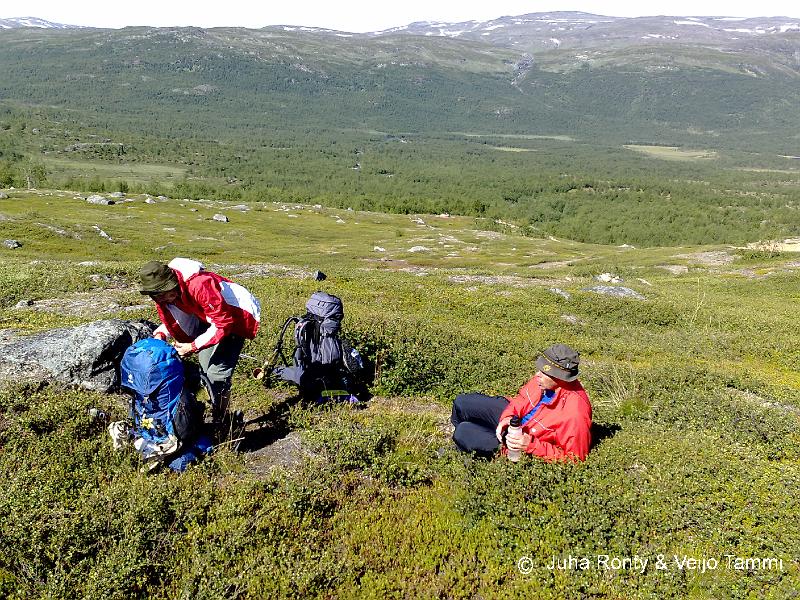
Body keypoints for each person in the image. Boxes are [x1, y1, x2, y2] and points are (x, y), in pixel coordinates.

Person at [139, 258, 261, 423]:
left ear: (172, 281)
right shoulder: (167, 296)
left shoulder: (198, 284)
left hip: (234, 317)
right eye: (159, 296)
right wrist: (161, 334)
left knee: (216, 374)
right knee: (205, 369)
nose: (166, 298)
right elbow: (178, 318)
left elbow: (223, 323)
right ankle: (218, 406)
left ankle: (222, 419)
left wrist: (193, 346)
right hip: (209, 318)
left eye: (166, 292)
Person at [451, 343, 592, 461]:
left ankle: (468, 455)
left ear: (561, 378)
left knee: (464, 431)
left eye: (544, 372)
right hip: (516, 423)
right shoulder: (544, 381)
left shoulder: (575, 414)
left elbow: (574, 459)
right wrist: (507, 416)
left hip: (521, 445)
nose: (537, 374)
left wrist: (530, 445)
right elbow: (521, 399)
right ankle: (463, 446)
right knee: (462, 403)